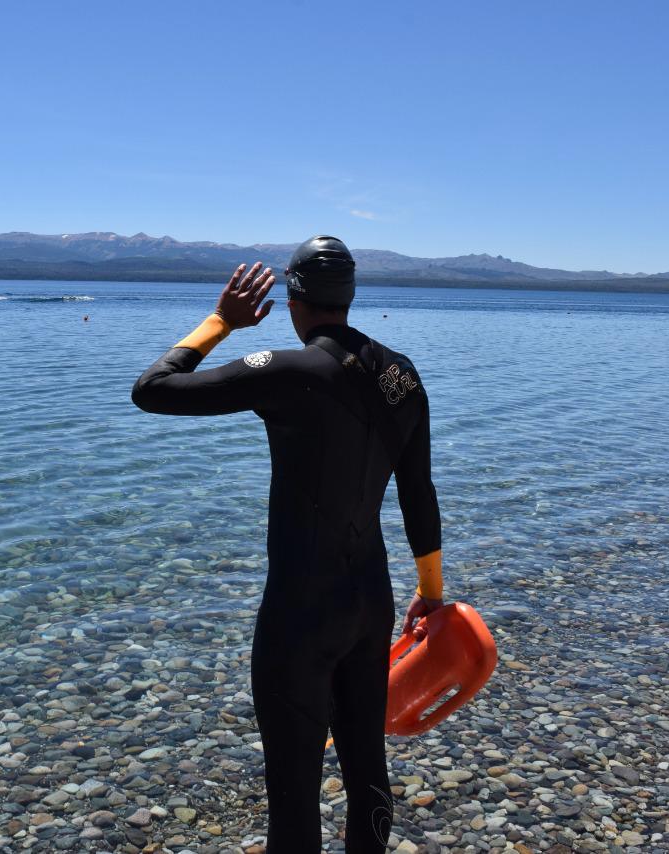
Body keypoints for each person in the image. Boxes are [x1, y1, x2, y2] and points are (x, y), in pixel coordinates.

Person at [131, 236, 445, 852]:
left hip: (301, 613)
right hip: (370, 603)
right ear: (350, 296)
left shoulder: (285, 371)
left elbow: (153, 388)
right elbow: (419, 495)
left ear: (293, 297)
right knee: (366, 768)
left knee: (294, 791)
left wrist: (222, 321)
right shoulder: (403, 376)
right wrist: (430, 594)